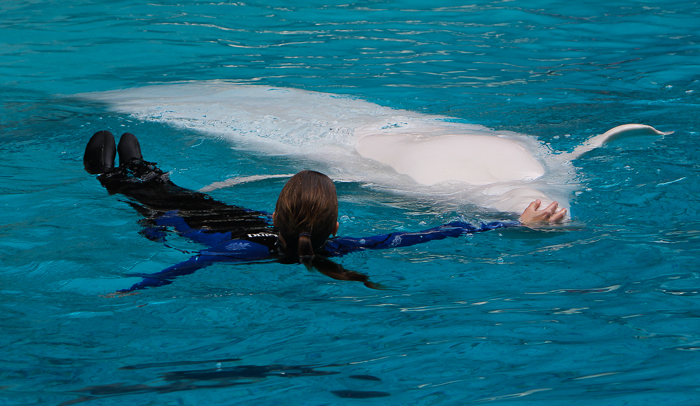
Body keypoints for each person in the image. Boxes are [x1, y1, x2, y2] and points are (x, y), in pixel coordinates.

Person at [84, 130, 566, 292]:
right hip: (226, 218)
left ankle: (115, 179)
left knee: (166, 203)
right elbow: (431, 234)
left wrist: (149, 238)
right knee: (184, 198)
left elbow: (184, 264)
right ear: (336, 224)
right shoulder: (342, 245)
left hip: (209, 222)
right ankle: (148, 175)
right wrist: (509, 223)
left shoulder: (236, 252)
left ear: (276, 217)